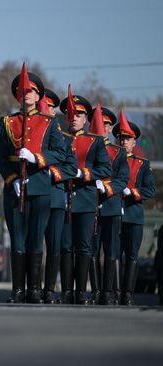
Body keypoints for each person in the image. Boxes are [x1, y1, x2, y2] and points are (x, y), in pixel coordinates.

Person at [0, 67, 66, 304]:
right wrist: (11, 179)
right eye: (22, 91)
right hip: (15, 188)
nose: (26, 95)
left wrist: (38, 158)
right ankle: (18, 290)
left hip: (40, 186)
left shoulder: (49, 123)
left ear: (38, 96)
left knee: (36, 239)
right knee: (18, 239)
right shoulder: (8, 122)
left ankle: (34, 288)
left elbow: (61, 152)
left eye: (31, 91)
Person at [59, 91, 111, 305]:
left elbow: (105, 168)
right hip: (62, 198)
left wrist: (84, 174)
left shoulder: (95, 141)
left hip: (86, 198)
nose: (74, 117)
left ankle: (81, 292)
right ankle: (66, 292)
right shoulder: (59, 137)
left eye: (79, 114)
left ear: (86, 118)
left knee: (83, 246)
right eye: (71, 113)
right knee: (65, 246)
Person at [87, 105, 129, 305]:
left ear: (109, 128)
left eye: (105, 125)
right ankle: (95, 291)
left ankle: (108, 292)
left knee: (111, 250)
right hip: (89, 205)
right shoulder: (86, 147)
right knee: (92, 250)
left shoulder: (118, 152)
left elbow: (123, 179)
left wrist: (106, 187)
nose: (100, 127)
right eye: (97, 123)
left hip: (111, 206)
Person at [113, 113, 156, 305]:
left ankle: (127, 293)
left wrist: (132, 192)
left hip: (133, 215)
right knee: (114, 255)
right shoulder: (109, 160)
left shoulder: (142, 164)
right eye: (121, 137)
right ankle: (112, 291)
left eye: (127, 138)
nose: (123, 141)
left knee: (131, 255)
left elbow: (150, 190)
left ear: (134, 141)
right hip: (113, 214)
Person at [42, 89, 78, 304]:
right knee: (34, 244)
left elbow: (71, 166)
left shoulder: (64, 139)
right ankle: (32, 288)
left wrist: (53, 173)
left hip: (55, 195)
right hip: (33, 195)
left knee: (54, 245)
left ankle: (49, 289)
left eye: (49, 108)